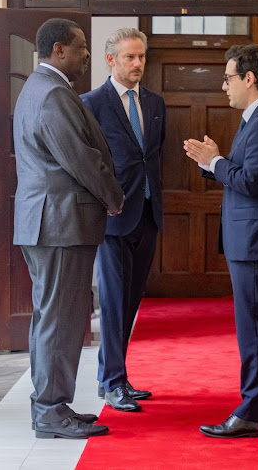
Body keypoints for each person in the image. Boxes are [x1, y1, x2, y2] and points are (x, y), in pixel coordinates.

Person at [13, 18, 124, 439]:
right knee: (59, 320)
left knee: (54, 317)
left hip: (52, 222)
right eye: (80, 48)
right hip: (59, 222)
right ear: (59, 50)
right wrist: (113, 196)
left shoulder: (41, 89)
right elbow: (81, 158)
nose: (86, 55)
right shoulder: (53, 93)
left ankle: (53, 405)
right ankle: (49, 410)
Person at [183, 44, 258, 438]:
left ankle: (252, 411)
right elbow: (247, 171)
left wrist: (216, 162)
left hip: (257, 238)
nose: (224, 85)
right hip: (253, 235)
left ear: (249, 79)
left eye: (228, 77)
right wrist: (214, 163)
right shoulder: (257, 116)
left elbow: (250, 181)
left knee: (255, 328)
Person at [81, 28, 166, 412]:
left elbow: (152, 156)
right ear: (110, 60)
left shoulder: (155, 103)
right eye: (130, 57)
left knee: (130, 302)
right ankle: (113, 381)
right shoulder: (91, 104)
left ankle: (114, 377)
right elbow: (89, 163)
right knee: (113, 302)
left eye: (142, 57)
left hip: (148, 213)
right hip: (113, 217)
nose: (138, 64)